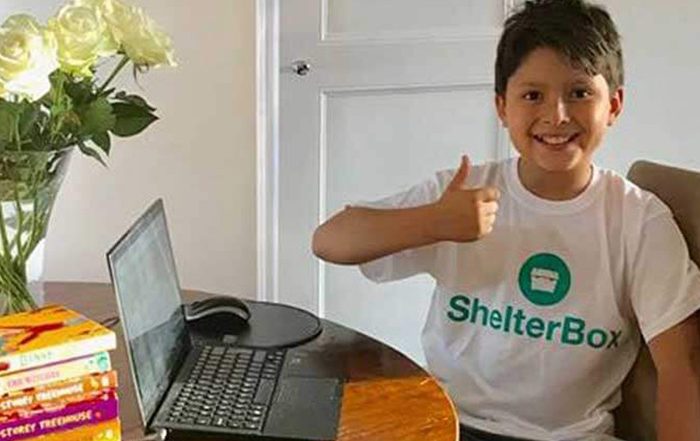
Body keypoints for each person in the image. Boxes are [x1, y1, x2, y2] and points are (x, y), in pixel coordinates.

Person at [311, 1, 700, 440]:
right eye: (533, 95)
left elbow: (680, 368)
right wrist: (435, 221)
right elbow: (329, 241)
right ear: (502, 106)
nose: (556, 115)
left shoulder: (640, 220)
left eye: (579, 93)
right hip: (447, 422)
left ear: (613, 104)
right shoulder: (461, 194)